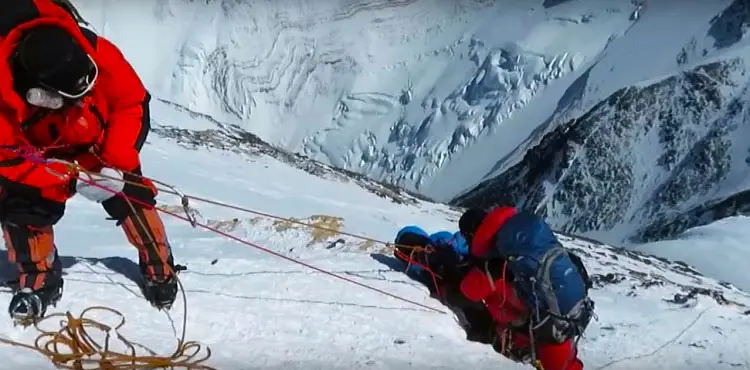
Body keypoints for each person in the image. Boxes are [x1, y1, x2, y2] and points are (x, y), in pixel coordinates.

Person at [0, 0, 178, 323]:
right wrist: (65, 179)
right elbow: (9, 163)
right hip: (40, 157)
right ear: (43, 97)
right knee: (22, 206)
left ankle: (160, 269)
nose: (86, 97)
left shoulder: (91, 50)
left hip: (96, 143)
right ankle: (38, 278)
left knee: (130, 193)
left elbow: (132, 101)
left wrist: (114, 162)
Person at [441, 207, 594, 370]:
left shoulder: (494, 262)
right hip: (566, 305)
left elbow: (469, 291)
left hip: (544, 324)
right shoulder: (522, 241)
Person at [392, 225, 496, 344]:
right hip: (458, 283)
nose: (413, 254)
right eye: (408, 252)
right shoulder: (417, 268)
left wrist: (447, 255)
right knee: (457, 296)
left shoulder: (438, 240)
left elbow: (460, 243)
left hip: (472, 271)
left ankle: (489, 328)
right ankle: (486, 330)